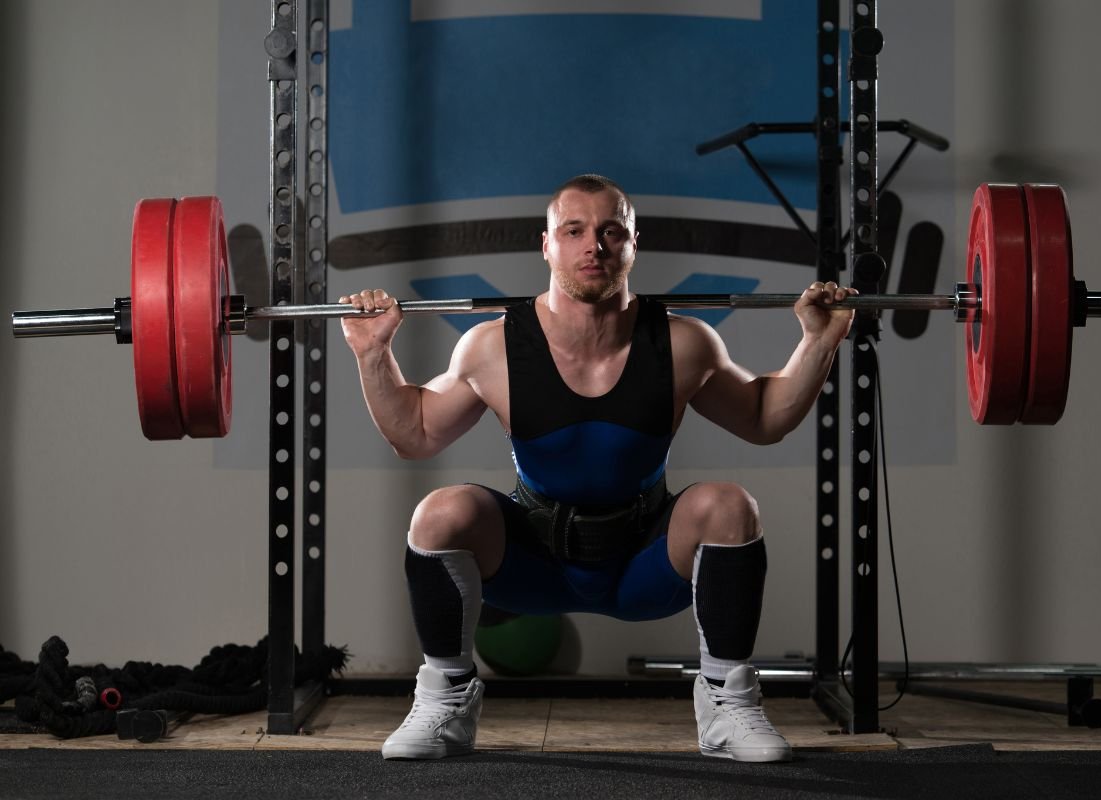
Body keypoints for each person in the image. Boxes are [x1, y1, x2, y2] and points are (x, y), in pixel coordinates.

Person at [339, 174, 856, 763]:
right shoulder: (493, 346)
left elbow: (765, 418)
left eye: (612, 231)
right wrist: (372, 352)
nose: (594, 246)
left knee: (730, 505)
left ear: (634, 243)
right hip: (534, 561)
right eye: (575, 231)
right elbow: (416, 433)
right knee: (440, 513)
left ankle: (727, 706)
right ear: (547, 244)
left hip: (643, 563)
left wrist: (819, 342)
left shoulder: (685, 343)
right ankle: (444, 702)